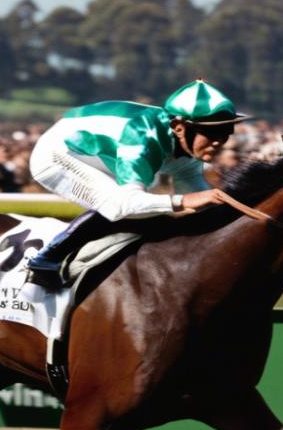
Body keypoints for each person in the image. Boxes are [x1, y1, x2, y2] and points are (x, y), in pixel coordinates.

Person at [24, 79, 248, 288]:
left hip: (99, 155)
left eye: (225, 132)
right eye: (211, 133)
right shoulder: (142, 139)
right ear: (179, 127)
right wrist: (185, 201)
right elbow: (126, 205)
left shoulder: (186, 147)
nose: (219, 141)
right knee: (121, 206)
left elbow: (201, 196)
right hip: (57, 155)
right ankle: (46, 259)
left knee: (152, 210)